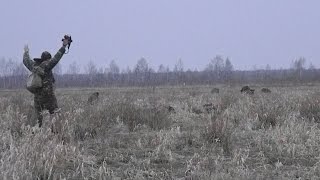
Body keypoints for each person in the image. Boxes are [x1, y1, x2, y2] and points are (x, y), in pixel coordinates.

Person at [23, 37, 70, 127]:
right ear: (48, 59)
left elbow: (26, 61)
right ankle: (56, 133)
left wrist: (26, 51)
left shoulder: (34, 66)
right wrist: (64, 46)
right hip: (48, 97)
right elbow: (57, 58)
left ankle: (36, 134)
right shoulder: (47, 65)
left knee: (38, 117)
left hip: (37, 97)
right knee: (55, 114)